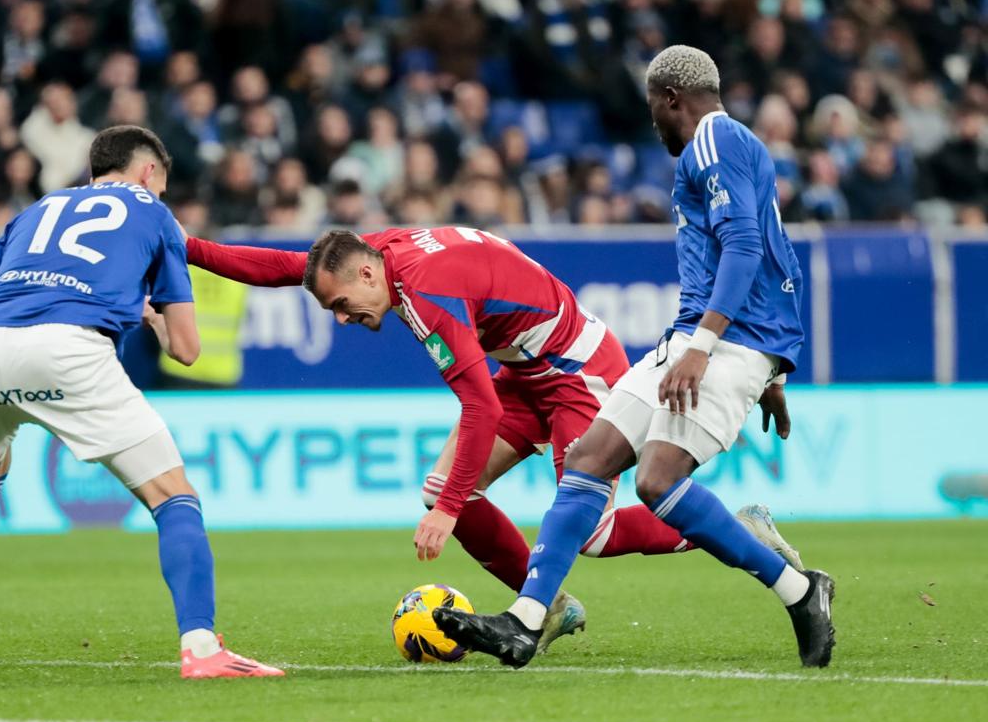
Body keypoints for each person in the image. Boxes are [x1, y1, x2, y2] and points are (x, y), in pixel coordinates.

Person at [184, 226, 802, 654]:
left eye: (343, 305)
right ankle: (550, 607)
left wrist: (452, 512)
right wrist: (186, 248)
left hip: (575, 371)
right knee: (442, 488)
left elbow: (478, 405)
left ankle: (741, 530)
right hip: (529, 369)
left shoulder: (422, 292)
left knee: (590, 531)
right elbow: (283, 266)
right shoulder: (382, 253)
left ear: (367, 274)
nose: (343, 319)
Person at [431, 45, 834, 670]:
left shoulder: (712, 142)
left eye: (653, 109)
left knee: (655, 482)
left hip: (726, 341)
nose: (653, 122)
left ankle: (801, 591)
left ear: (671, 98)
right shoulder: (724, 150)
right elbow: (771, 250)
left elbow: (748, 246)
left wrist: (717, 351)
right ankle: (525, 621)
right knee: (590, 459)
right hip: (704, 337)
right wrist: (766, 369)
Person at [0, 125, 281, 680]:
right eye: (159, 185)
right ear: (148, 173)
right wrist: (155, 318)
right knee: (173, 497)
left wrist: (6, 362)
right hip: (69, 348)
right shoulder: (155, 213)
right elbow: (186, 350)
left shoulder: (43, 206)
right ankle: (202, 647)